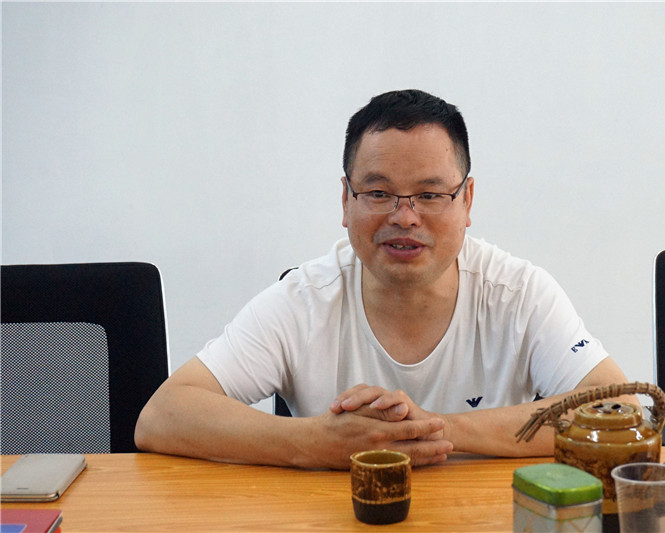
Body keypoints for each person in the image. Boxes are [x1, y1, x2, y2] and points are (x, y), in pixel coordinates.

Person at [134, 89, 631, 469]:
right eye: (378, 193)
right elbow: (163, 415)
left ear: (467, 201)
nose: (404, 217)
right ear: (345, 201)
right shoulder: (304, 300)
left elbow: (621, 407)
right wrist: (314, 442)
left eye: (430, 195)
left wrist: (436, 430)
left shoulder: (517, 294)